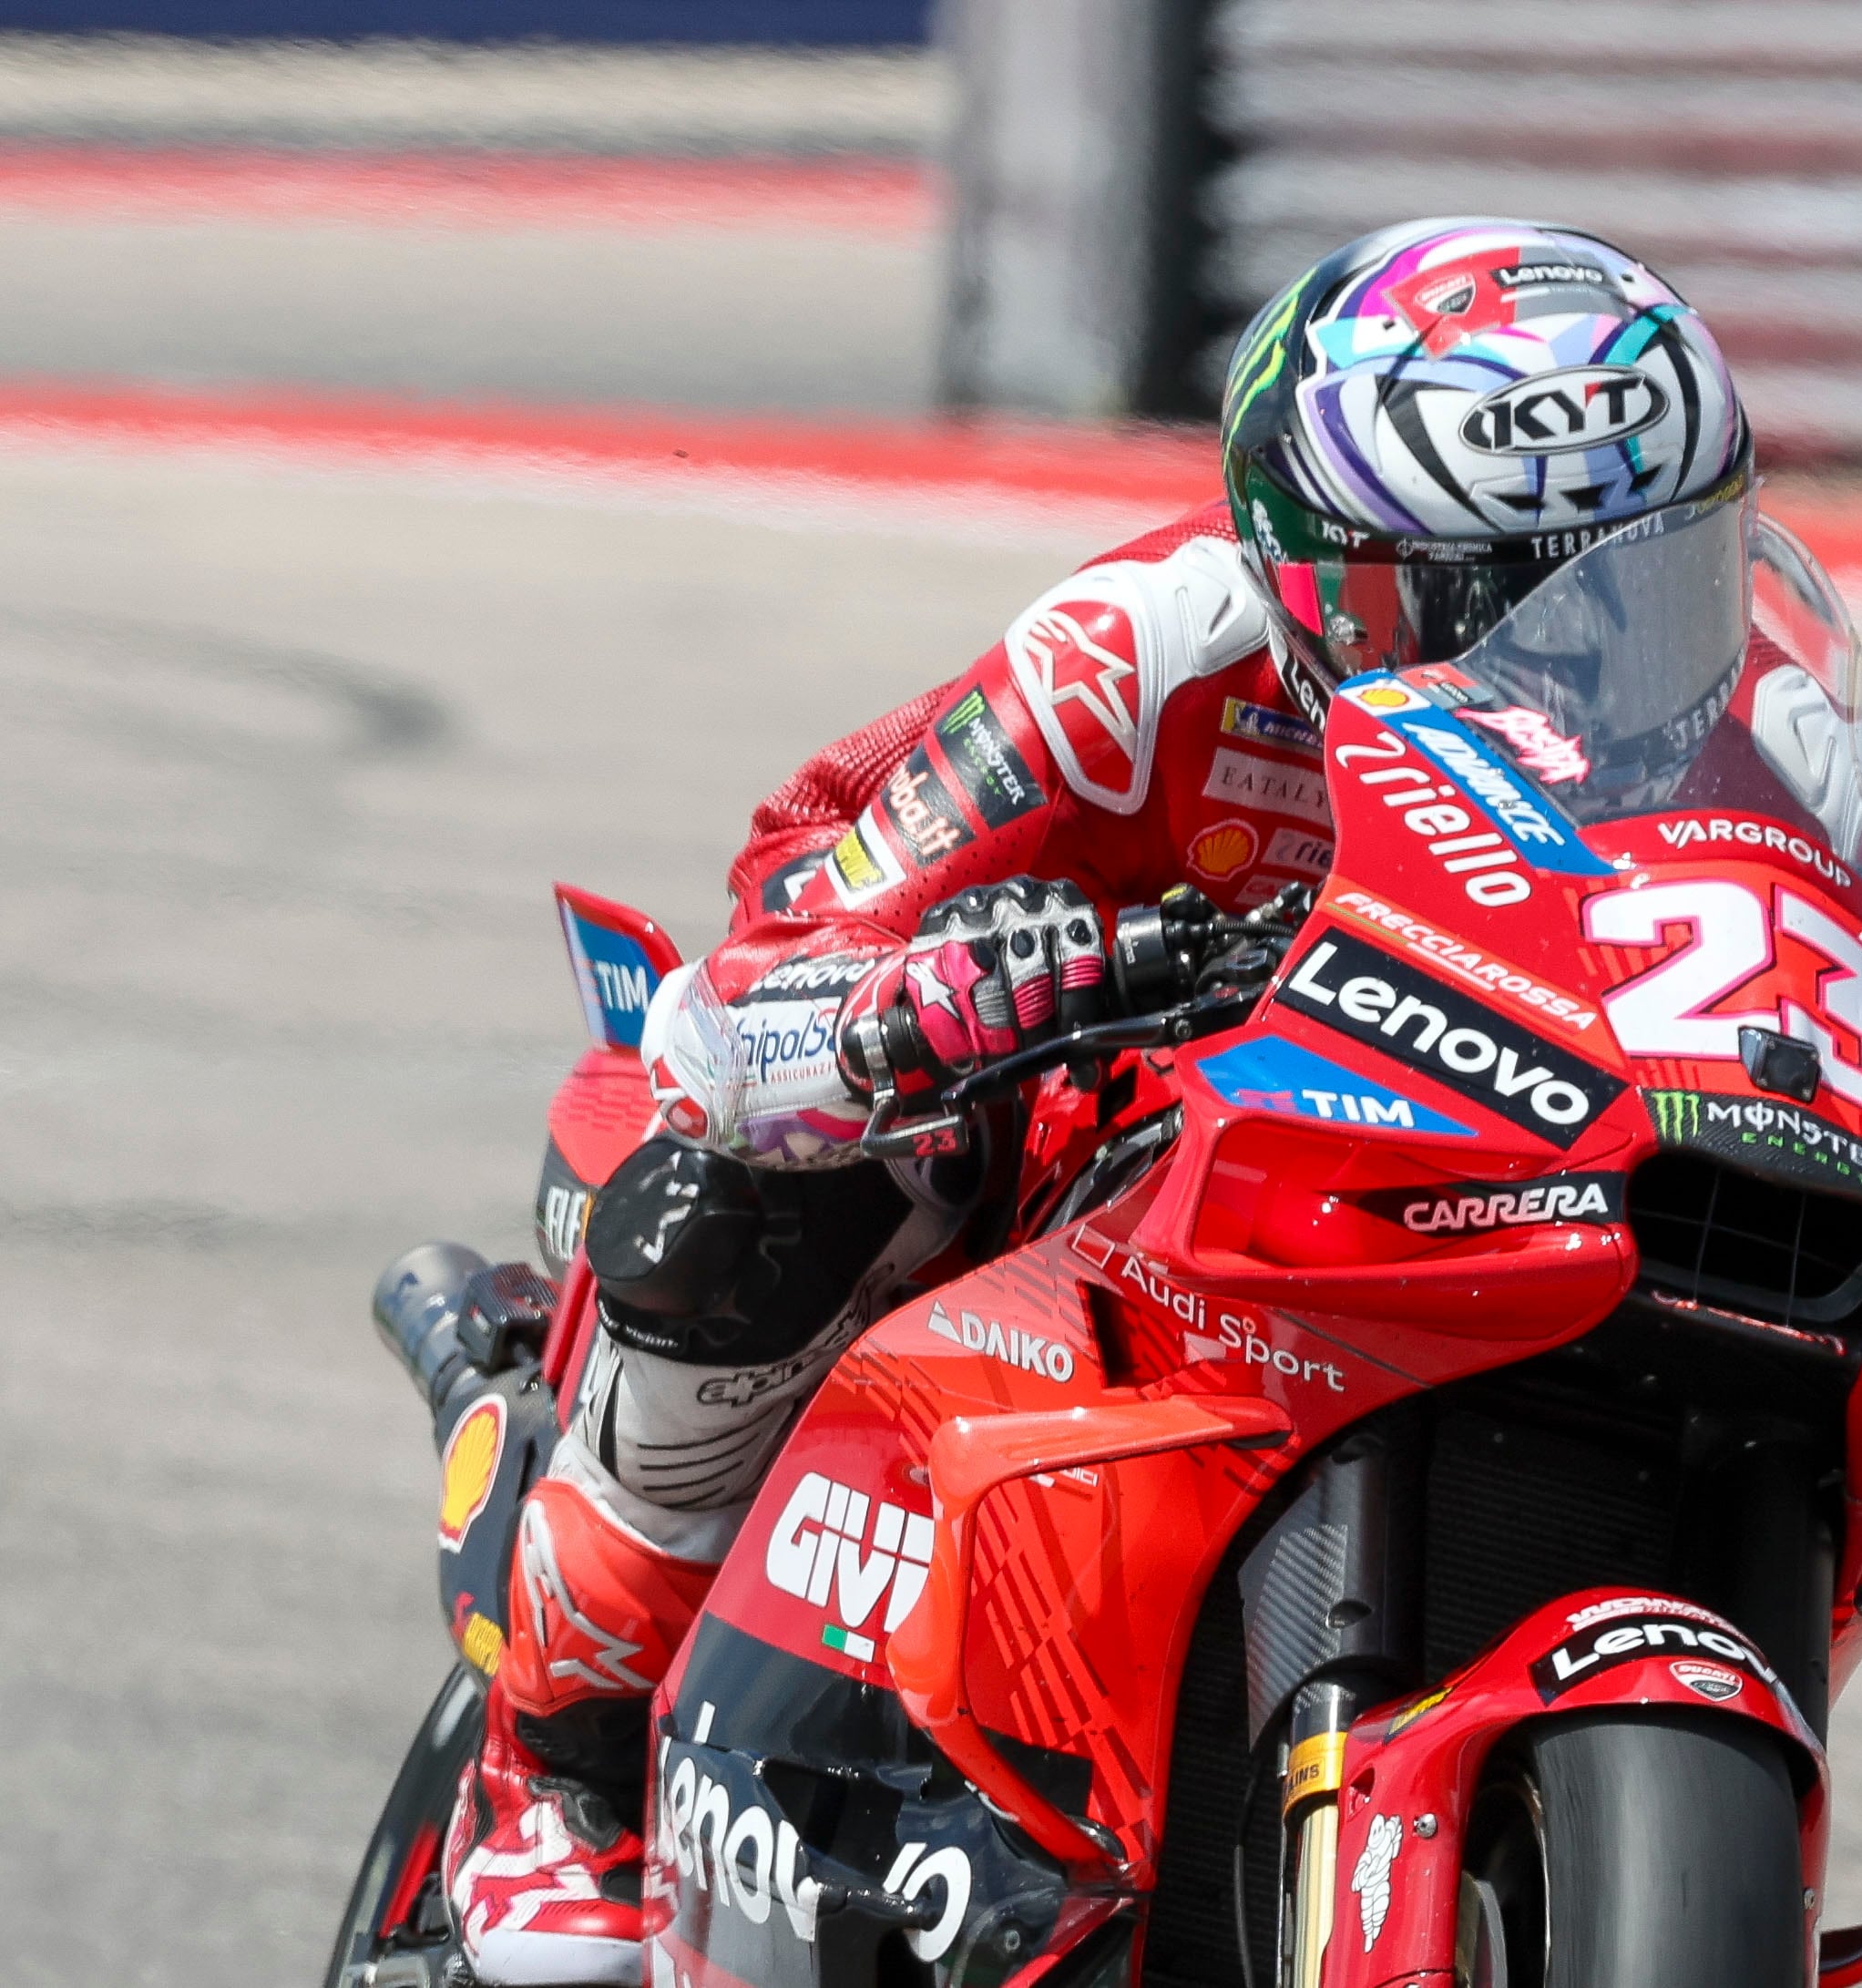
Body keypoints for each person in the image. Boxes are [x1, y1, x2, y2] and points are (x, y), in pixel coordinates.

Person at [441, 216, 1755, 1982]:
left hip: (1487, 1170)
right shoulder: (1137, 657)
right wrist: (938, 992)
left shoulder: (1759, 726)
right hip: (1107, 1124)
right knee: (742, 1204)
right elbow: (747, 985)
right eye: (1502, 605)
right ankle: (556, 1768)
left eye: (1643, 587)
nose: (1592, 665)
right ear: (1322, 576)